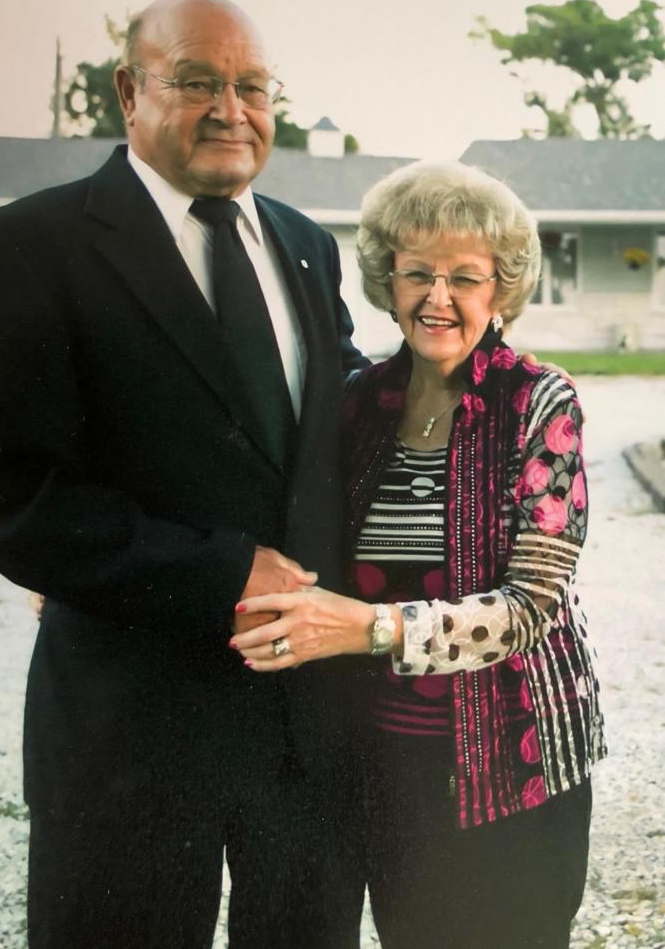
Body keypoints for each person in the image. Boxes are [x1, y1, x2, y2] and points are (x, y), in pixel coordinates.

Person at [0, 0, 369, 949]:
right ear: (131, 93)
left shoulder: (304, 246)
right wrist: (215, 572)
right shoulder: (24, 250)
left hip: (303, 727)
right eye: (197, 82)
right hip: (127, 728)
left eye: (252, 85)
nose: (231, 109)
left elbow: (335, 430)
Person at [231, 160, 607, 949]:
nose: (439, 298)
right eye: (417, 274)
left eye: (465, 278)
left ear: (500, 290)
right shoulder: (361, 402)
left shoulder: (540, 401)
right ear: (387, 281)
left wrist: (372, 628)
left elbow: (530, 607)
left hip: (516, 762)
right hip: (391, 764)